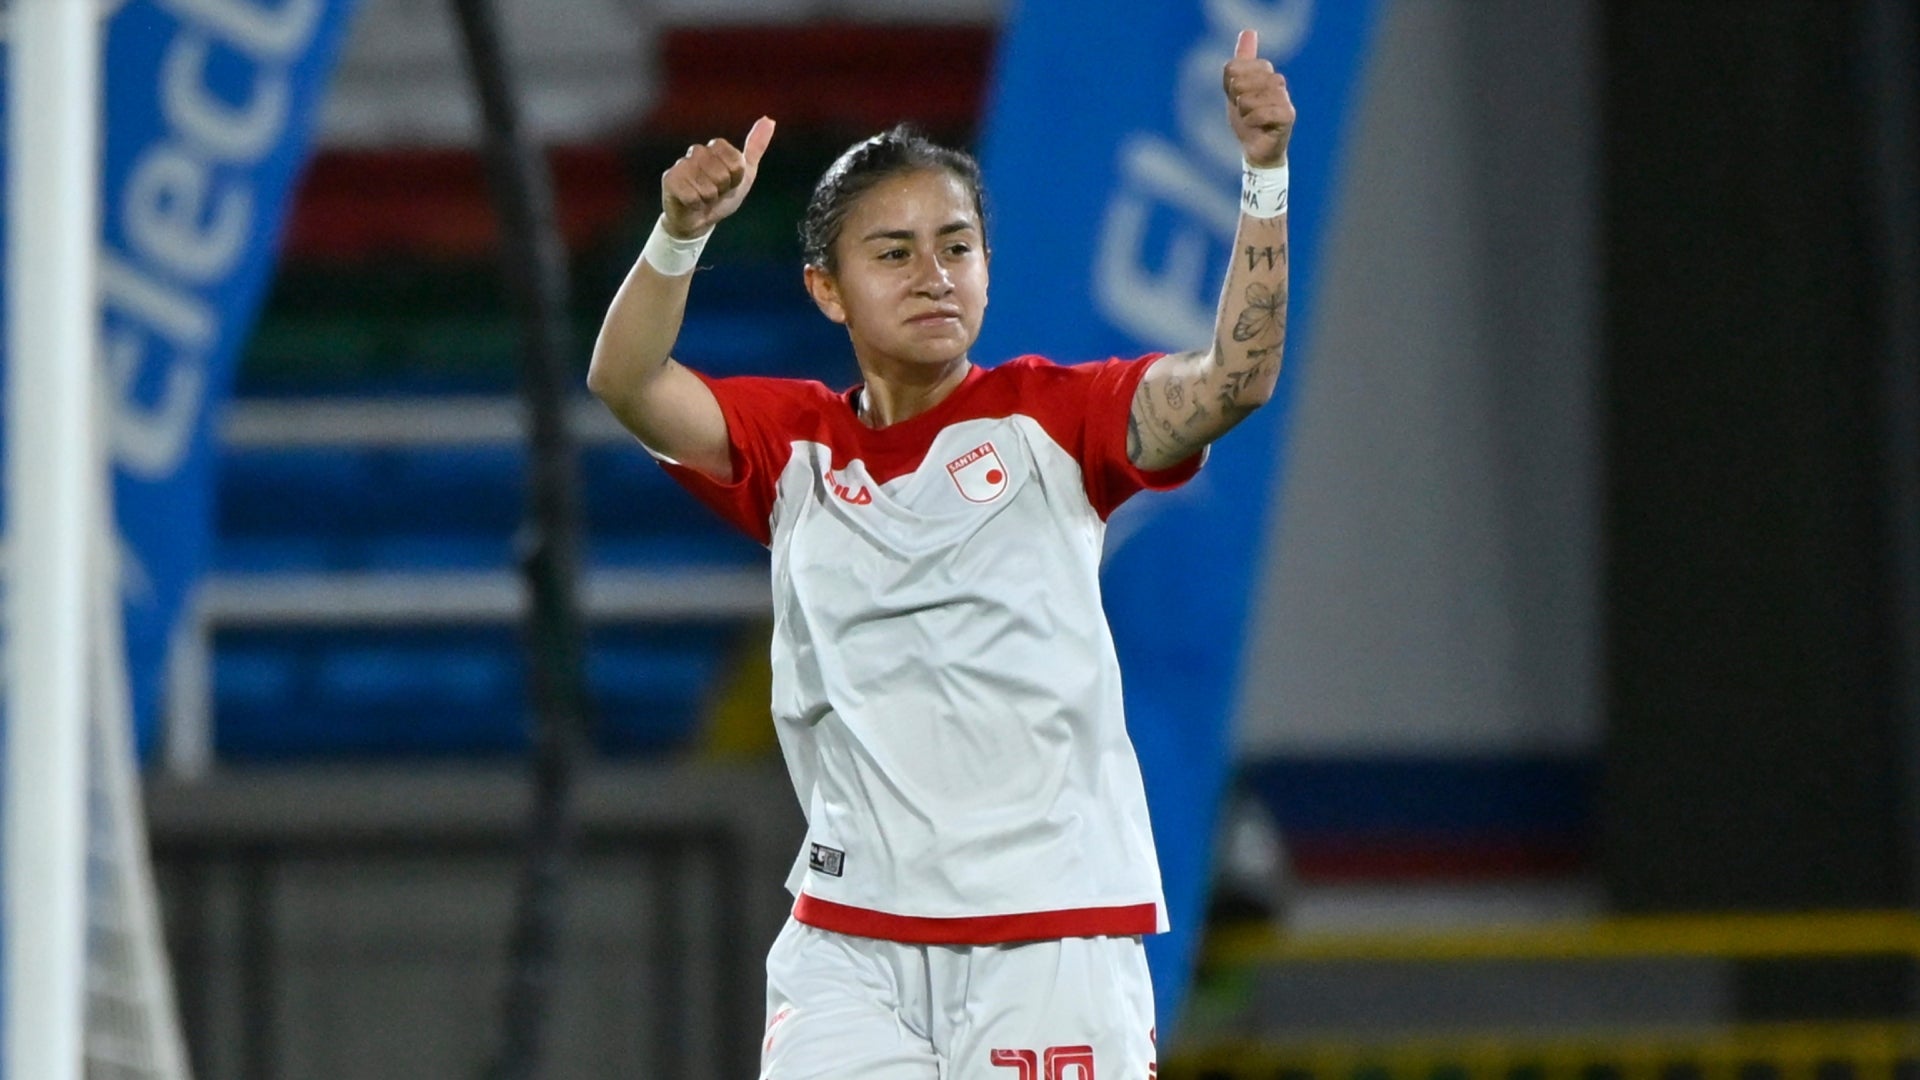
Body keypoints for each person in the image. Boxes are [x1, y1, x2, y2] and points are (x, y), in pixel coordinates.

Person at [588, 28, 1295, 1080]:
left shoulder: (1063, 418)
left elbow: (1233, 382)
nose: (934, 276)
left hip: (1050, 935)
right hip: (849, 947)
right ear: (826, 289)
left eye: (956, 246)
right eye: (894, 252)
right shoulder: (795, 446)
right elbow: (628, 380)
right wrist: (679, 235)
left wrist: (1265, 174)